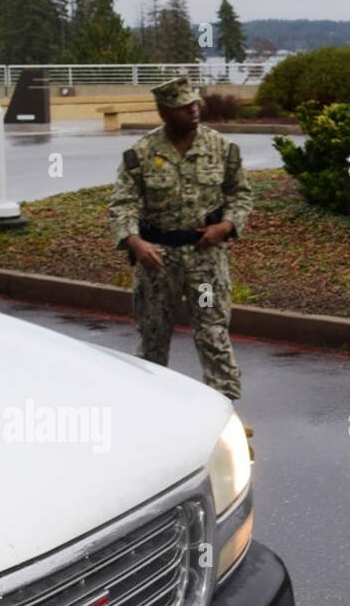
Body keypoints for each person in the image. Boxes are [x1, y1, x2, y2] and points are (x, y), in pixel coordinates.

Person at [107, 75, 253, 409]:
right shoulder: (141, 153)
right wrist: (134, 242)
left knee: (213, 333)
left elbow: (240, 194)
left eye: (194, 105)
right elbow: (122, 203)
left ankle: (226, 413)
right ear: (164, 112)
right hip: (158, 262)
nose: (193, 111)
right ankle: (153, 413)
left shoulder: (221, 148)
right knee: (154, 338)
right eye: (183, 108)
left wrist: (227, 226)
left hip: (205, 263)